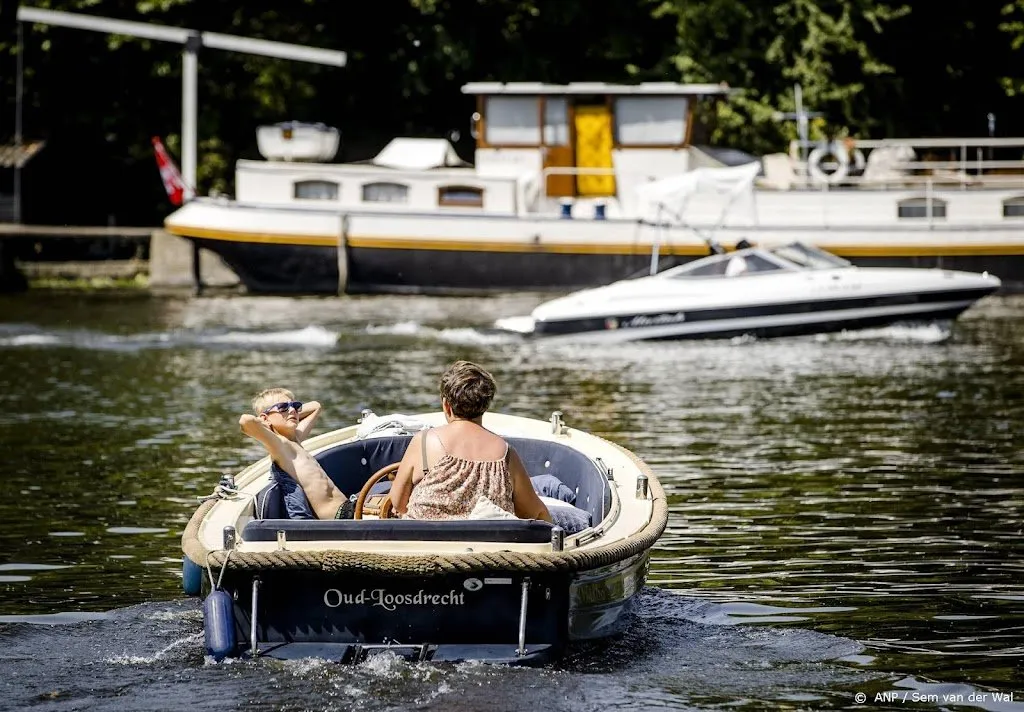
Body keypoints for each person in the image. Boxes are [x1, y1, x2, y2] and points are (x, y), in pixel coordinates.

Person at [391, 361, 552, 523]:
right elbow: (535, 514)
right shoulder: (506, 453)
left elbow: (398, 503)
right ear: (485, 405)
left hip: (426, 542)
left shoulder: (424, 441)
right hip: (488, 544)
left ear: (447, 405)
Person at [238, 388, 351, 520]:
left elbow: (316, 406)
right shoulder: (280, 444)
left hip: (347, 507)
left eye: (295, 406)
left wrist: (287, 411)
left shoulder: (295, 438)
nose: (292, 410)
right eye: (283, 407)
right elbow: (245, 421)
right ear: (265, 418)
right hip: (337, 517)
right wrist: (265, 421)